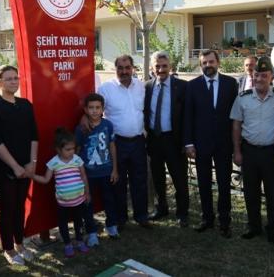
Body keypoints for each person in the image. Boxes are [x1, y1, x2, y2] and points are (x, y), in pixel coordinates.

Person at [0, 65, 38, 266]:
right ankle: (8, 248)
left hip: (26, 166)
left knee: (20, 206)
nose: (14, 82)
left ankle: (20, 243)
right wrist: (15, 166)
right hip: (3, 168)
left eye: (16, 78)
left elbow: (34, 135)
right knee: (7, 208)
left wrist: (32, 163)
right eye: (8, 79)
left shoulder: (25, 105)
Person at [230, 56, 274, 245]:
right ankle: (253, 226)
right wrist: (237, 151)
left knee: (272, 193)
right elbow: (236, 125)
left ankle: (273, 228)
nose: (259, 78)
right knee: (250, 192)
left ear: (271, 77)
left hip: (271, 153)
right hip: (249, 151)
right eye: (257, 75)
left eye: (264, 75)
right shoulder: (243, 98)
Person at [183, 49, 238, 238]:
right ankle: (207, 219)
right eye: (204, 63)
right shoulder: (192, 86)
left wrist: (236, 144)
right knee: (204, 183)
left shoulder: (231, 84)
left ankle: (225, 221)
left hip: (224, 144)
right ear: (200, 65)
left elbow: (235, 116)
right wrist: (188, 143)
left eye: (211, 62)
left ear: (218, 62)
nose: (208, 65)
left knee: (224, 184)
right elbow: (188, 116)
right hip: (201, 145)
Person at [97, 55, 151, 229]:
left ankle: (141, 216)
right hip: (117, 143)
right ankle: (121, 218)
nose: (124, 71)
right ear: (115, 69)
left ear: (133, 68)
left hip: (138, 142)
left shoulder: (141, 87)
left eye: (127, 67)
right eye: (120, 68)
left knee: (139, 180)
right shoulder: (105, 89)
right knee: (118, 182)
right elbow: (96, 111)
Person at [144, 51, 189, 227]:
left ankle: (182, 212)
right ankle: (161, 208)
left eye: (164, 66)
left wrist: (187, 141)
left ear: (170, 67)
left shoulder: (182, 87)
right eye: (157, 66)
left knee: (179, 178)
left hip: (174, 140)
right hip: (154, 139)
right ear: (152, 68)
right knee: (157, 177)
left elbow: (187, 117)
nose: (161, 69)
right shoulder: (147, 87)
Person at [33, 128, 92, 258]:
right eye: (68, 149)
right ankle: (67, 244)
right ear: (58, 149)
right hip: (62, 202)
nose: (72, 152)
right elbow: (46, 179)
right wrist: (32, 176)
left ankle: (79, 240)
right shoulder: (53, 162)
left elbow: (83, 176)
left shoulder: (77, 159)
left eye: (73, 149)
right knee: (63, 223)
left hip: (79, 199)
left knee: (78, 221)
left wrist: (87, 193)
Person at [76, 93, 120, 245]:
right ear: (85, 110)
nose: (94, 111)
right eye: (91, 108)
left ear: (102, 109)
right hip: (88, 174)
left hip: (106, 171)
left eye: (97, 107)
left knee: (109, 199)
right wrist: (78, 173)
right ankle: (91, 232)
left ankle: (111, 226)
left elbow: (112, 146)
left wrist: (115, 169)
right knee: (88, 202)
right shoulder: (81, 128)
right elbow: (77, 151)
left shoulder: (108, 125)